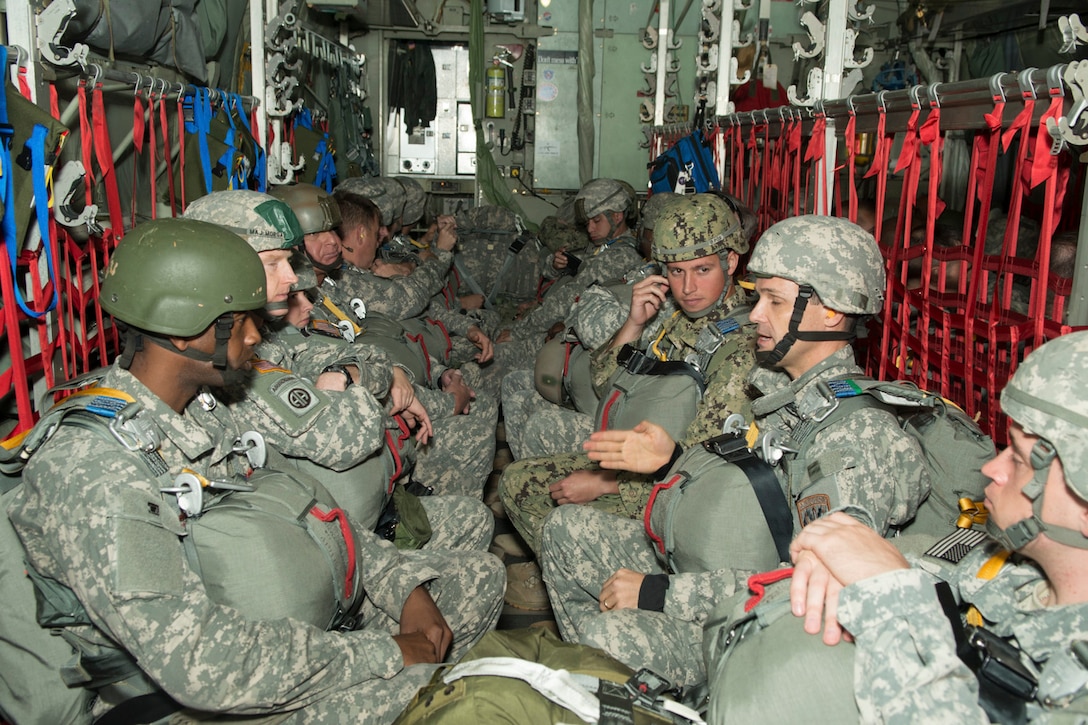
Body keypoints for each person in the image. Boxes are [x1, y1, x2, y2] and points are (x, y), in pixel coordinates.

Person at [6, 218, 504, 723]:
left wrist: (405, 583)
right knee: (431, 687)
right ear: (189, 330)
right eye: (242, 320)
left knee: (475, 582)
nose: (256, 338)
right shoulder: (95, 472)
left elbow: (309, 507)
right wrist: (392, 654)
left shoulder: (203, 406)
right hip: (196, 695)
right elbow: (205, 664)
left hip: (293, 613)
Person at [541, 215, 930, 687]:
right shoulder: (783, 392)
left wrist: (660, 594)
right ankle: (596, 690)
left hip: (757, 631)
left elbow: (801, 589)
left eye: (774, 301)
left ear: (831, 311)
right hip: (712, 565)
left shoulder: (853, 441)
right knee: (565, 530)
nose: (755, 314)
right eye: (758, 296)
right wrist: (667, 458)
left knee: (611, 635)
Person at [758, 330, 1088, 721]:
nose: (991, 469)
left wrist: (900, 599)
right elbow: (887, 561)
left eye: (1020, 459)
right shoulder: (997, 564)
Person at [184, 189, 494, 548]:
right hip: (314, 526)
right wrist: (425, 398)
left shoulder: (297, 310)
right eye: (273, 264)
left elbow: (365, 352)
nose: (291, 279)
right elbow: (346, 433)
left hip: (353, 488)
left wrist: (363, 374)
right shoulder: (251, 349)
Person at [500, 193, 757, 557]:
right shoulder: (678, 318)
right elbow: (606, 382)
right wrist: (634, 323)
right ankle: (572, 571)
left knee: (550, 509)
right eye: (675, 271)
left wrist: (606, 485)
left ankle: (611, 581)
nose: (687, 288)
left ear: (730, 261)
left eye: (702, 270)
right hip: (636, 457)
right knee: (517, 481)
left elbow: (705, 470)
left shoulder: (741, 345)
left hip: (679, 493)